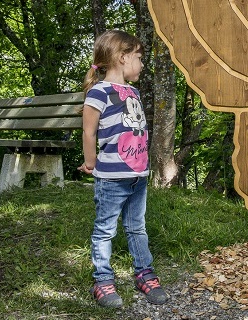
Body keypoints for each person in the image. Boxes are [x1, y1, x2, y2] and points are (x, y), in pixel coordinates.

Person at [77, 29, 168, 308]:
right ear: (122, 57)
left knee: (136, 227)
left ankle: (144, 274)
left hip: (137, 177)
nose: (142, 64)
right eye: (139, 58)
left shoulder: (133, 91)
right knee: (105, 230)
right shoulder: (98, 93)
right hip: (111, 178)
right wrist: (90, 163)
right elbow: (88, 132)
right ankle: (103, 281)